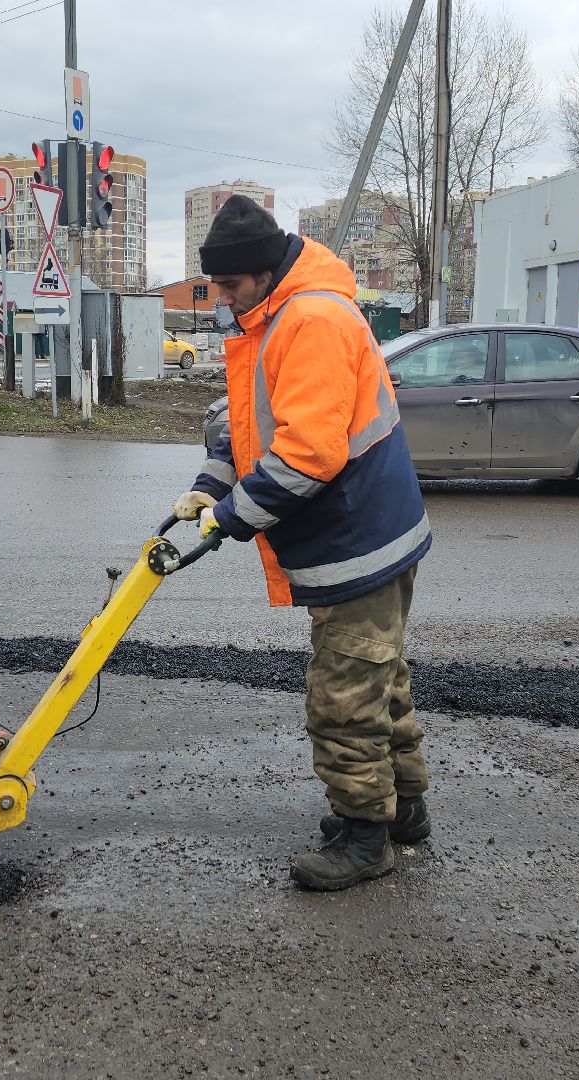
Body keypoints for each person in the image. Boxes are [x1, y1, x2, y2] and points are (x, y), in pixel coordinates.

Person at [173, 194, 432, 891]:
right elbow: (251, 427)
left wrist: (231, 517)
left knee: (343, 697)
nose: (222, 298)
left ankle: (366, 839)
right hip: (359, 534)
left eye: (229, 284)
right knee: (381, 680)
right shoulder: (272, 316)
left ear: (262, 272)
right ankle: (402, 811)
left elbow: (307, 455)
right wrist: (209, 485)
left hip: (356, 536)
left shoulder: (311, 320)